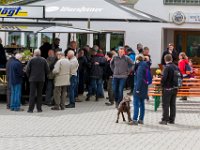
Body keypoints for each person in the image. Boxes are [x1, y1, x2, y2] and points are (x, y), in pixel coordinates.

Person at [159, 54, 179, 125]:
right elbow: (181, 77)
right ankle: (172, 120)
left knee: (165, 104)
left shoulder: (166, 67)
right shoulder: (176, 67)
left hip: (167, 88)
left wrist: (161, 84)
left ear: (165, 60)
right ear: (171, 59)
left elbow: (164, 78)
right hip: (175, 88)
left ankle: (165, 120)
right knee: (173, 104)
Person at [129, 55, 149, 125]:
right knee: (142, 104)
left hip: (139, 88)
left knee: (136, 104)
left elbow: (140, 79)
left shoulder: (140, 67)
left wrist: (137, 89)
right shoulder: (145, 65)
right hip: (144, 87)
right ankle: (141, 119)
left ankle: (134, 120)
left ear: (137, 60)